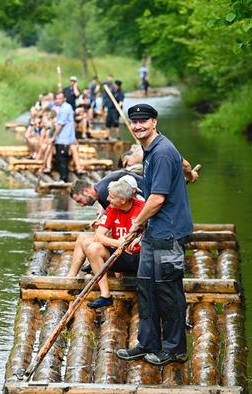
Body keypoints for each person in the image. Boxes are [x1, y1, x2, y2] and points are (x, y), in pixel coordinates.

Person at [116, 103, 199, 366]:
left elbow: (157, 199)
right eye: (134, 122)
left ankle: (175, 349)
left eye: (144, 121)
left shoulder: (161, 152)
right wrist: (190, 174)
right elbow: (184, 162)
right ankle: (147, 342)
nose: (138, 126)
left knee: (167, 291)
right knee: (146, 288)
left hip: (169, 232)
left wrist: (136, 223)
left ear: (154, 122)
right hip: (155, 230)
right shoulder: (150, 149)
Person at [67, 171, 144, 278]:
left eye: (80, 200)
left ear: (86, 191)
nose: (81, 205)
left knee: (87, 242)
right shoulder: (101, 189)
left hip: (131, 244)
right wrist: (101, 219)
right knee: (83, 238)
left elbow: (118, 221)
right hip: (125, 237)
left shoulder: (104, 192)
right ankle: (71, 276)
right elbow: (112, 216)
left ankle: (96, 268)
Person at [83, 178, 145, 309]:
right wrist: (118, 243)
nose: (108, 199)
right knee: (93, 248)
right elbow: (98, 236)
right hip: (120, 255)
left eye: (112, 197)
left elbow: (154, 232)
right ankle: (106, 295)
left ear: (123, 200)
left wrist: (139, 240)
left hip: (142, 257)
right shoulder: (112, 208)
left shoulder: (142, 208)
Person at [49, 92, 76, 182]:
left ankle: (64, 178)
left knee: (63, 159)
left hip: (64, 138)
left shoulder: (65, 108)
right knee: (60, 159)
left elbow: (60, 125)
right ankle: (62, 178)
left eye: (60, 98)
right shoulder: (62, 108)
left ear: (64, 99)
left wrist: (53, 137)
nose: (58, 100)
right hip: (61, 138)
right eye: (56, 98)